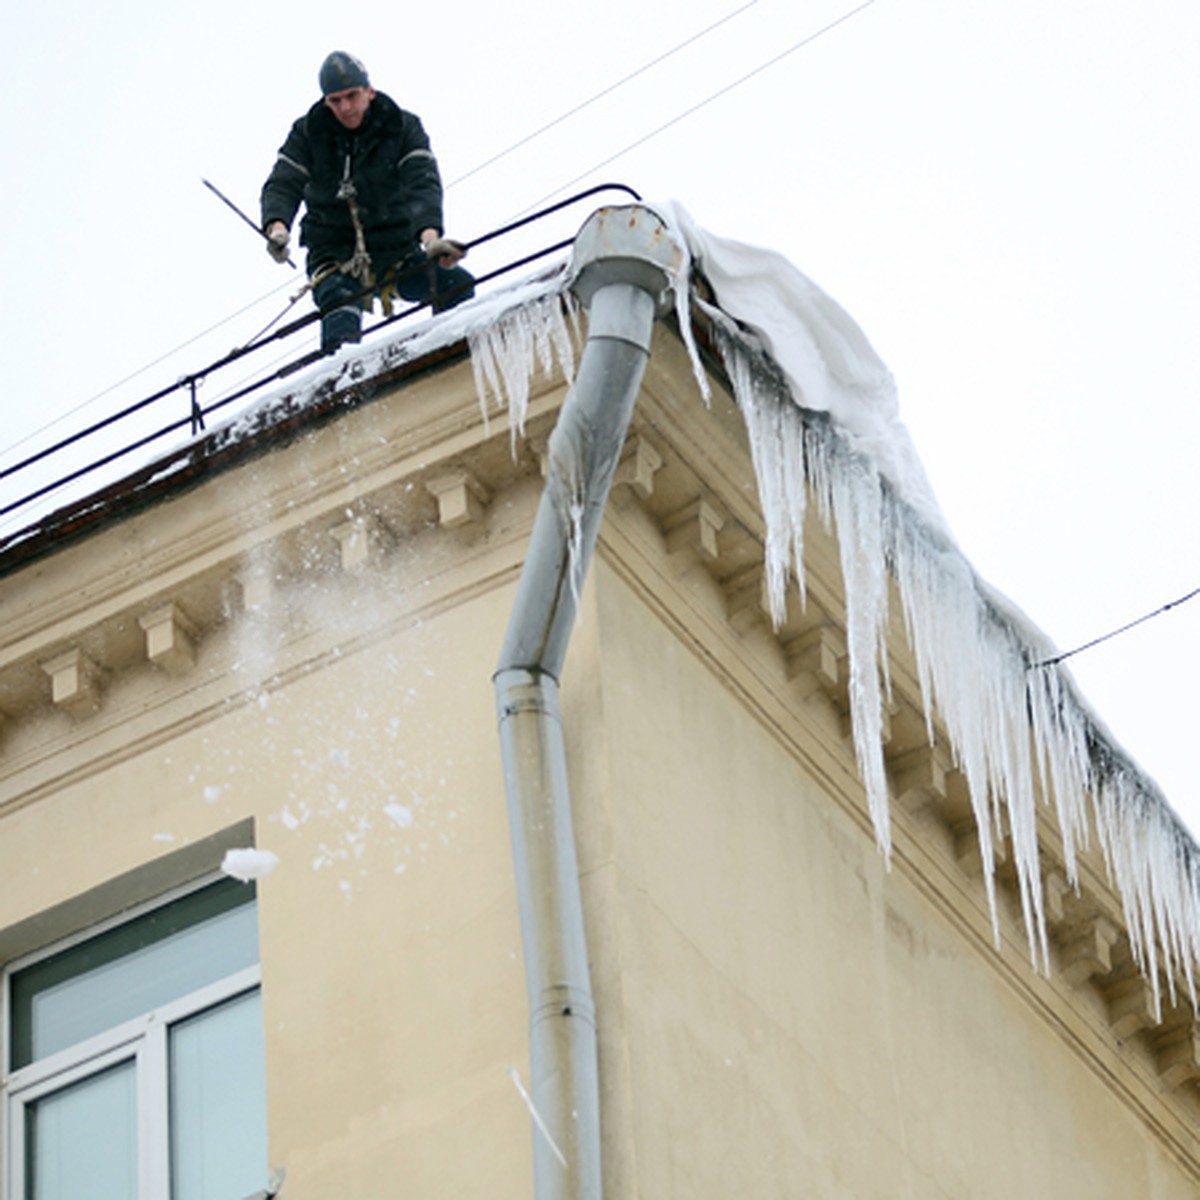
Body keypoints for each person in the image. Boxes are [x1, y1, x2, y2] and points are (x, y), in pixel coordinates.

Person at [261, 51, 474, 351]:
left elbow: (422, 183)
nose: (346, 107)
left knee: (456, 284)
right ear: (326, 102)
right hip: (334, 254)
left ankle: (453, 356)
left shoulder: (401, 126)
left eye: (352, 95)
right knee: (341, 311)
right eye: (336, 100)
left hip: (396, 250)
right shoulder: (308, 133)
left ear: (369, 91)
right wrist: (277, 227)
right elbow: (283, 183)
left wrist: (430, 240)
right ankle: (345, 389)